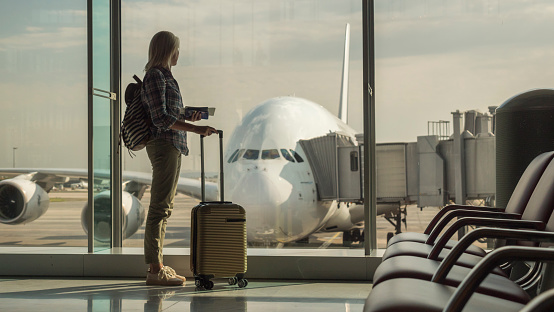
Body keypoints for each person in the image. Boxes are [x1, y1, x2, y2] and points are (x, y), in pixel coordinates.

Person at [141, 30, 217, 286]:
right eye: (176, 49)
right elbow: (160, 118)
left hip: (172, 145)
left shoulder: (164, 77)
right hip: (164, 145)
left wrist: (189, 115)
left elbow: (170, 113)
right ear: (167, 50)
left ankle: (157, 265)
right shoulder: (154, 76)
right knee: (159, 208)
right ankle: (154, 269)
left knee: (164, 208)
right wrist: (196, 129)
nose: (178, 54)